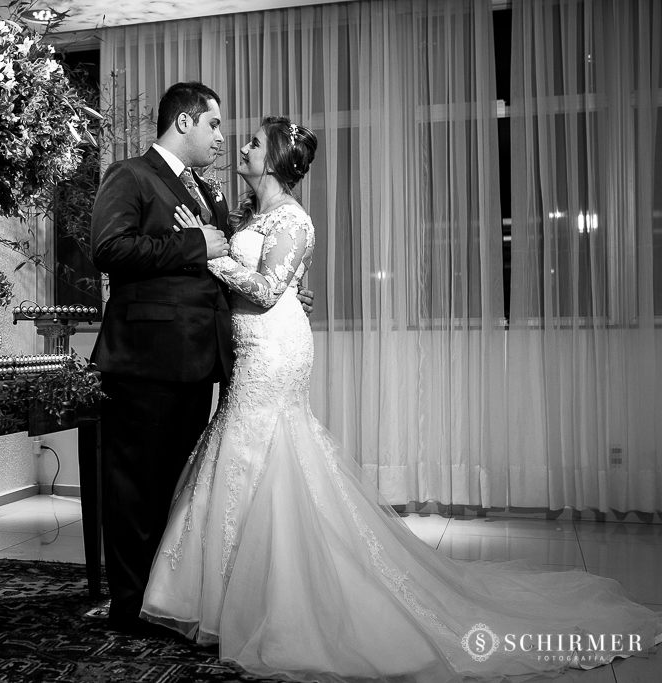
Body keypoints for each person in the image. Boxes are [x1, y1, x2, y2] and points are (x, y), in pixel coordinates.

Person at [141, 116, 662, 682]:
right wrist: (229, 252)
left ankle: (281, 595)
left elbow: (267, 291)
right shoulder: (249, 214)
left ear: (277, 161)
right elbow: (271, 279)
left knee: (269, 455)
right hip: (251, 345)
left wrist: (210, 254)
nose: (241, 147)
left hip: (275, 349)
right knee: (240, 454)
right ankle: (228, 593)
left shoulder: (293, 218)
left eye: (254, 143)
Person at [89, 82, 312, 637]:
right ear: (184, 122)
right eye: (214, 125)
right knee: (134, 487)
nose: (223, 138)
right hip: (145, 360)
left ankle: (162, 598)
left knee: (178, 489)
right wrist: (198, 247)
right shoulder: (131, 176)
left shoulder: (210, 197)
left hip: (201, 361)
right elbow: (109, 249)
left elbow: (238, 269)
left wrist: (284, 293)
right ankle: (128, 607)